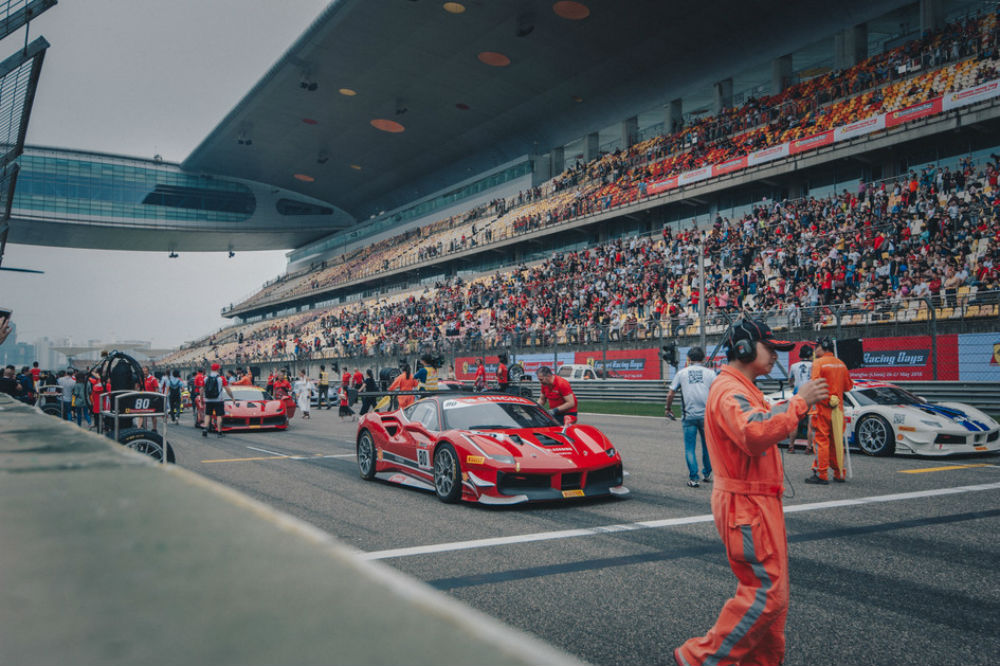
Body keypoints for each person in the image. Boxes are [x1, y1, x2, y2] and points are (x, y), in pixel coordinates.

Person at [674, 318, 828, 666]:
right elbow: (754, 432)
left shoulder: (742, 387)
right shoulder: (730, 390)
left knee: (775, 597)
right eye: (770, 348)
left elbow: (758, 422)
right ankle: (699, 659)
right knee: (766, 595)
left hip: (755, 502)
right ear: (743, 348)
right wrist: (799, 403)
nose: (776, 356)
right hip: (746, 505)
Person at [665, 346, 717, 488]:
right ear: (704, 359)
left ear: (688, 359)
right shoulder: (711, 374)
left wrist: (668, 408)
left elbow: (670, 393)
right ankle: (707, 473)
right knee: (708, 447)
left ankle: (694, 478)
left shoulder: (682, 373)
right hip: (707, 416)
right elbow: (718, 392)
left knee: (690, 448)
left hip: (689, 416)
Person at [807, 337, 854, 484]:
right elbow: (848, 387)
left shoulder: (818, 363)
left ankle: (822, 474)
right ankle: (839, 473)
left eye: (817, 347)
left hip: (822, 407)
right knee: (837, 442)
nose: (815, 350)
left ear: (823, 347)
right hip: (837, 409)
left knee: (821, 441)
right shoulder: (841, 364)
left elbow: (815, 385)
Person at [787, 344, 814, 454]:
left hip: (798, 396)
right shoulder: (815, 365)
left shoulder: (794, 366)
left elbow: (790, 381)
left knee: (795, 423)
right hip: (811, 397)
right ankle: (808, 448)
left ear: (800, 354)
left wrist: (793, 385)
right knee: (810, 424)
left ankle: (791, 446)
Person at [202, 362, 234, 437]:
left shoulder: (206, 378)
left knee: (208, 414)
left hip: (208, 399)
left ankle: (205, 428)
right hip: (218, 400)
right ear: (218, 369)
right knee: (219, 415)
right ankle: (219, 432)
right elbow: (227, 389)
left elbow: (202, 389)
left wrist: (202, 398)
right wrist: (232, 397)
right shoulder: (221, 378)